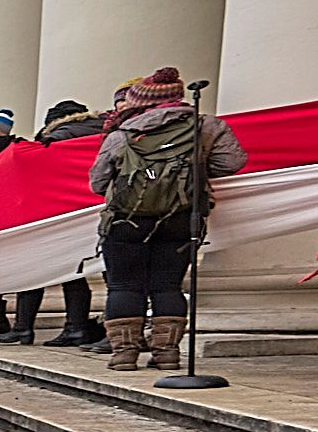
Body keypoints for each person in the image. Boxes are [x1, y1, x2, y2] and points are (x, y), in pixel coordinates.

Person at [92, 66, 246, 372]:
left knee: (124, 286)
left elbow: (97, 183)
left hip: (127, 220)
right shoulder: (206, 125)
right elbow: (233, 162)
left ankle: (124, 354)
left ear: (140, 102)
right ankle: (167, 354)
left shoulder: (123, 133)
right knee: (167, 285)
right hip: (182, 217)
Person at [3, 100, 109, 347]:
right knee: (80, 273)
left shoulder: (56, 137)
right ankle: (77, 327)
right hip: (94, 210)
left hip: (56, 213)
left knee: (37, 272)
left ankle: (26, 328)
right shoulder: (105, 134)